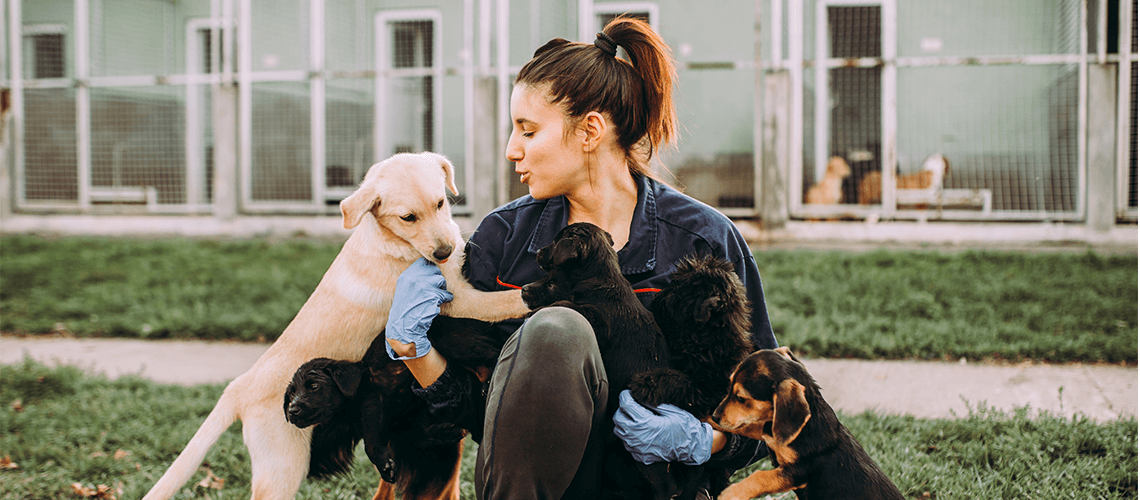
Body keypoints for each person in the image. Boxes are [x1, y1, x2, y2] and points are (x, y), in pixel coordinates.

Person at [383, 17, 779, 500]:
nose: (512, 150)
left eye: (527, 131)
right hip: (537, 488)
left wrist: (704, 441)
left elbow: (766, 408)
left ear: (590, 130)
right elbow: (476, 414)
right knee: (557, 331)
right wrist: (415, 351)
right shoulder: (502, 238)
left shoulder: (703, 241)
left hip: (658, 488)